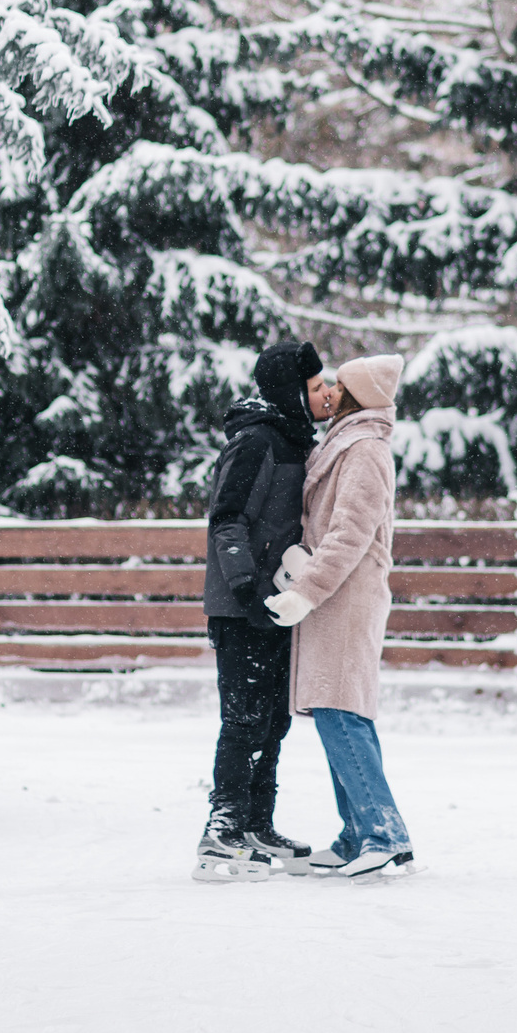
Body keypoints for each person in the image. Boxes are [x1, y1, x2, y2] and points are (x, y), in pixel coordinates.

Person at [193, 340, 340, 882]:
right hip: (242, 608)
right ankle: (221, 832)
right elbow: (226, 518)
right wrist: (246, 586)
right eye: (316, 387)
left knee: (274, 719)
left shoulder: (294, 441)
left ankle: (256, 824)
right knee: (243, 720)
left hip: (277, 603)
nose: (325, 395)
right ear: (291, 392)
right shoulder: (256, 441)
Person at [264, 355, 411, 879]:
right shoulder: (346, 443)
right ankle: (356, 833)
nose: (327, 391)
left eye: (336, 385)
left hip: (346, 599)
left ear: (356, 395)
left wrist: (306, 591)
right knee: (339, 709)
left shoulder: (365, 450)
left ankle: (384, 835)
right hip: (335, 599)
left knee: (340, 711)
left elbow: (350, 534)